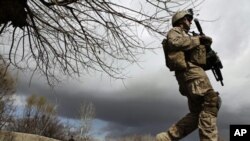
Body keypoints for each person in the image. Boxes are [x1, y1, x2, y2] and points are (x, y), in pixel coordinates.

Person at [156, 9, 221, 141]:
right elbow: (175, 43)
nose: (191, 22)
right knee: (211, 102)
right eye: (188, 19)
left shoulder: (188, 36)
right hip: (191, 75)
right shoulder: (176, 31)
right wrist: (198, 40)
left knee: (197, 113)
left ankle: (167, 138)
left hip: (192, 76)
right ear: (180, 20)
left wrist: (208, 51)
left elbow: (199, 61)